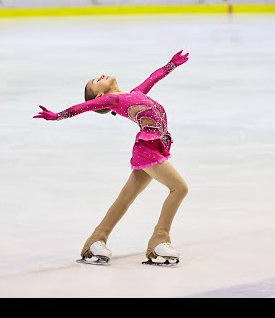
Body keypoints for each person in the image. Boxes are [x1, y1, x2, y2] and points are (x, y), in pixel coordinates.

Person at [33, 50, 190, 265]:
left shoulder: (135, 93)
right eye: (96, 81)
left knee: (126, 197)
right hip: (148, 149)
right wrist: (58, 116)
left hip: (154, 145)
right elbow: (82, 107)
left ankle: (96, 240)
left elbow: (154, 77)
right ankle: (159, 240)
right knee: (179, 188)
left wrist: (172, 64)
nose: (101, 75)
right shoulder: (112, 100)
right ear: (100, 96)